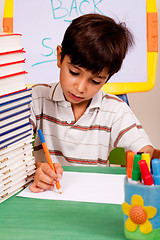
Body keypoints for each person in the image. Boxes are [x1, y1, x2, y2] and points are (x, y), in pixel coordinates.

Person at [29, 13, 154, 193]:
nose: (80, 88)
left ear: (107, 79)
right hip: (46, 195)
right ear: (59, 57)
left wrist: (142, 165)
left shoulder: (115, 110)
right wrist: (36, 168)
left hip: (94, 197)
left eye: (95, 81)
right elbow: (9, 150)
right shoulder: (36, 98)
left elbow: (145, 150)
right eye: (74, 72)